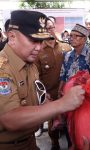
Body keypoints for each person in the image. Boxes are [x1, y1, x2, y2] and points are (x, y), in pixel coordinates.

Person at [0, 10, 85, 150]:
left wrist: (47, 103)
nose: (39, 47)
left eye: (40, 41)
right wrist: (62, 104)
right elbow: (10, 118)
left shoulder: (29, 63)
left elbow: (36, 91)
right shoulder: (3, 69)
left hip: (30, 142)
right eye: (33, 40)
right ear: (12, 36)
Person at [35, 18, 71, 149]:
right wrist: (44, 94)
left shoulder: (66, 47)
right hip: (50, 95)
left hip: (66, 94)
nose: (49, 31)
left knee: (70, 123)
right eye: (46, 28)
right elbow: (36, 77)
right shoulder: (38, 51)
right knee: (53, 127)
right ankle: (55, 144)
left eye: (51, 27)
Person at [59, 23, 90, 94]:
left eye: (76, 36)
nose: (72, 38)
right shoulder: (67, 55)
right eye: (70, 36)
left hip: (85, 95)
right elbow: (63, 76)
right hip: (68, 94)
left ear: (84, 39)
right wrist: (60, 91)